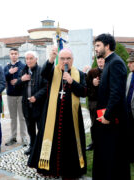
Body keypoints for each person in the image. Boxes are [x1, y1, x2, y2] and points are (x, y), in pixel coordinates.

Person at [28, 47, 87, 179]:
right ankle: (51, 170)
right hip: (51, 116)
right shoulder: (52, 72)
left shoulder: (79, 74)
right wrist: (51, 58)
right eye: (62, 58)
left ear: (73, 59)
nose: (65, 61)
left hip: (71, 118)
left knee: (70, 144)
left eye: (68, 59)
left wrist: (72, 82)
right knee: (51, 143)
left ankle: (70, 170)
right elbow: (43, 73)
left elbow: (84, 92)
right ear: (58, 59)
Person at [92, 33, 130, 180]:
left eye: (98, 45)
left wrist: (107, 116)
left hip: (112, 120)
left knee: (114, 158)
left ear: (107, 46)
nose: (96, 48)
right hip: (106, 118)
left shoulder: (116, 62)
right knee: (106, 156)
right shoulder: (108, 62)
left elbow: (117, 93)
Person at [15, 51, 47, 155]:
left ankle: (41, 148)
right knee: (30, 129)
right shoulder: (23, 71)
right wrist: (21, 79)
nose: (28, 61)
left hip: (39, 106)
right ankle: (32, 146)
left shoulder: (42, 71)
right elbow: (16, 86)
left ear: (36, 59)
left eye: (31, 58)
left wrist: (36, 97)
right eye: (27, 58)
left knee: (41, 128)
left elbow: (47, 87)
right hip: (26, 106)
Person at [3, 48, 28, 146]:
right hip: (10, 95)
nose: (13, 55)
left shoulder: (23, 66)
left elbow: (27, 78)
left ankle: (24, 137)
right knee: (13, 117)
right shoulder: (6, 67)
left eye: (15, 53)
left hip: (21, 95)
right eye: (12, 54)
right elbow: (3, 78)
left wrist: (18, 80)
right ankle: (13, 137)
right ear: (9, 55)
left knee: (22, 117)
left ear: (18, 55)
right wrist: (10, 72)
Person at [85, 57, 105, 151]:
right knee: (94, 123)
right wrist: (92, 83)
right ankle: (94, 143)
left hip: (104, 102)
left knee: (103, 123)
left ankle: (103, 143)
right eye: (98, 59)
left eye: (102, 59)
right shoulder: (92, 72)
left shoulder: (109, 70)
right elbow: (86, 86)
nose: (100, 61)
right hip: (93, 102)